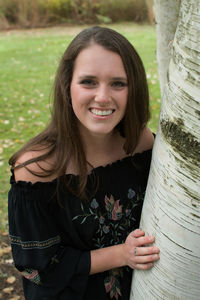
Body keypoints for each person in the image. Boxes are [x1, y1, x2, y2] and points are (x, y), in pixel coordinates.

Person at [8, 26, 160, 300]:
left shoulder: (142, 142)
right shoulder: (36, 168)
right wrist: (120, 254)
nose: (102, 97)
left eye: (118, 83)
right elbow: (39, 268)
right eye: (88, 82)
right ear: (67, 86)